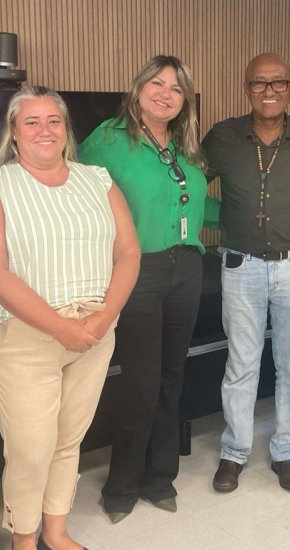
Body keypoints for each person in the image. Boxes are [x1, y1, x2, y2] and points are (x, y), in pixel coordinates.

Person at [0, 86, 140, 550]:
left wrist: (104, 317)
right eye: (32, 122)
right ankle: (24, 535)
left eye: (53, 121)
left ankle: (55, 529)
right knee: (30, 446)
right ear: (14, 132)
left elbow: (128, 252)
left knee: (68, 439)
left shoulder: (97, 179)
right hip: (26, 337)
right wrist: (60, 327)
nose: (44, 130)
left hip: (94, 329)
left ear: (66, 130)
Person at [80, 55, 213, 522]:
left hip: (187, 265)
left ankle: (161, 478)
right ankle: (122, 487)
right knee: (140, 381)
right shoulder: (108, 139)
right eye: (156, 83)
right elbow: (75, 195)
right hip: (138, 269)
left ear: (185, 101)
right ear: (138, 89)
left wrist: (248, 221)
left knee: (172, 375)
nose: (165, 94)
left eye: (176, 88)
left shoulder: (184, 145)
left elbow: (193, 203)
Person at [203, 53, 290, 494]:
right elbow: (190, 186)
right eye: (259, 83)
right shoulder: (222, 136)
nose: (269, 91)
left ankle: (286, 451)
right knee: (241, 363)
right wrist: (222, 218)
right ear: (247, 89)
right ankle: (234, 451)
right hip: (241, 266)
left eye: (278, 83)